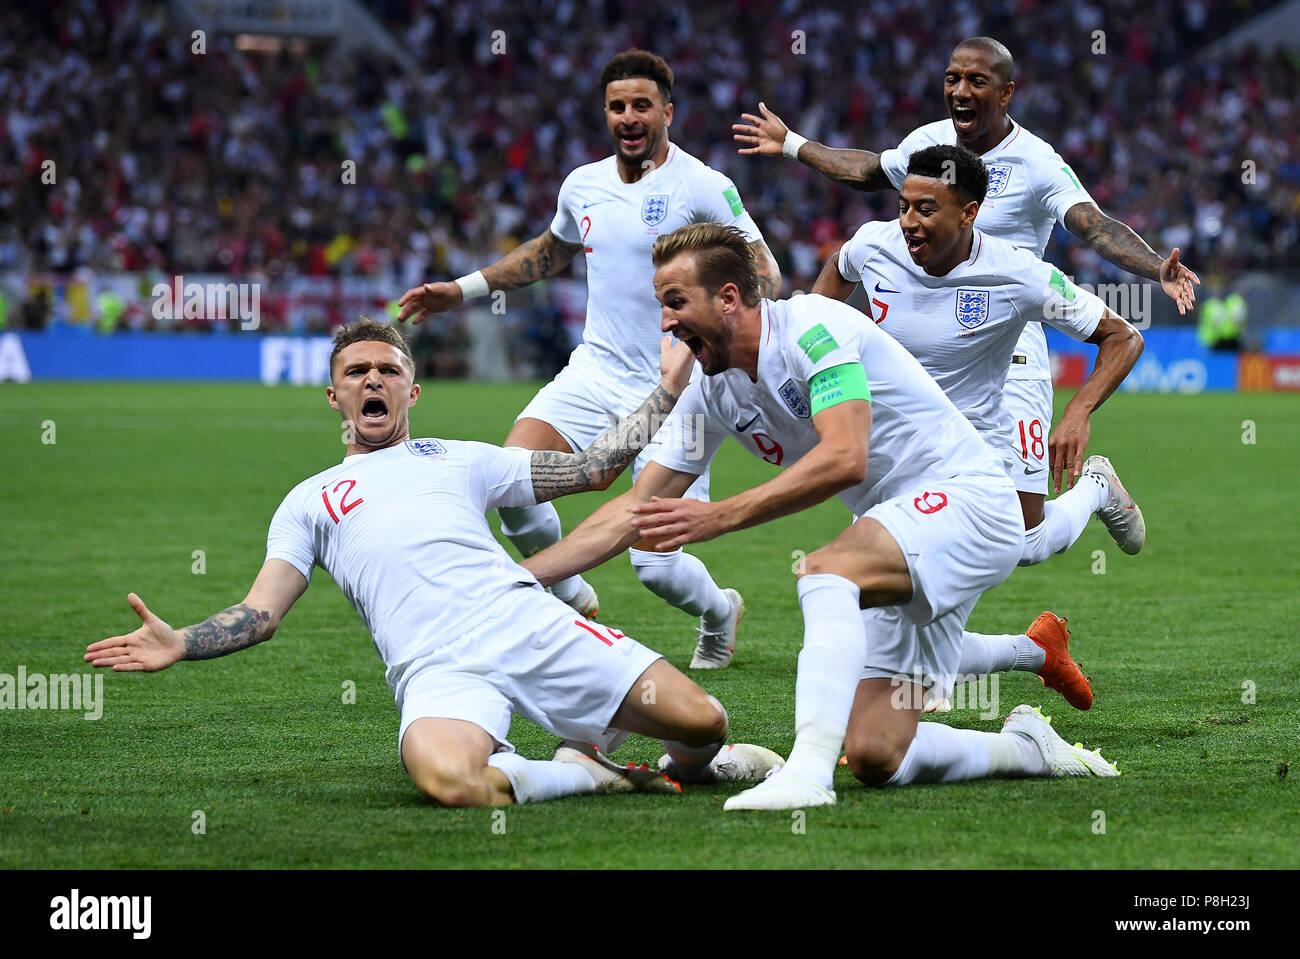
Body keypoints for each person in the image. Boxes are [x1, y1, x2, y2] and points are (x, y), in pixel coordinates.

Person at [523, 224, 1119, 811]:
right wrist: (523, 578)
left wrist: (717, 517)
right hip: (903, 528)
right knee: (878, 755)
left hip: (967, 500)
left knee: (826, 572)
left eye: (675, 302)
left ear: (729, 298)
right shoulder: (713, 389)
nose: (665, 323)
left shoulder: (811, 328)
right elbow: (636, 508)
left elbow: (845, 456)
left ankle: (807, 773)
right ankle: (1027, 749)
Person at [85, 318, 782, 808]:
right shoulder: (308, 501)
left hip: (520, 617)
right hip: (433, 665)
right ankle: (583, 772)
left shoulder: (461, 456)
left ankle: (701, 765)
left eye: (388, 369)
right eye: (356, 372)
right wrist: (182, 641)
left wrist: (666, 391)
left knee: (701, 719)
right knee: (446, 780)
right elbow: (262, 612)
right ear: (336, 396)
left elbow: (594, 469)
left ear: (411, 391)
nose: (373, 380)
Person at [734, 35, 1195, 554]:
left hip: (1009, 343)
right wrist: (793, 143)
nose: (961, 90)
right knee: (909, 518)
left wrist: (1156, 266)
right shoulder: (926, 146)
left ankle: (1095, 488)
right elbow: (867, 172)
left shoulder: (1036, 163)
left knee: (1021, 538)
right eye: (953, 78)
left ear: (1005, 93)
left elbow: (1091, 224)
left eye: (977, 81)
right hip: (921, 343)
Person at [397, 49, 782, 670]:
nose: (629, 117)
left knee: (653, 562)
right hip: (594, 371)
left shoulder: (706, 186)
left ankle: (719, 611)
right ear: (606, 114)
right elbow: (547, 254)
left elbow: (768, 275)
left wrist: (708, 336)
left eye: (642, 106)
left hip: (677, 389)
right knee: (514, 486)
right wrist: (462, 289)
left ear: (667, 112)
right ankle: (570, 592)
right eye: (617, 106)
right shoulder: (584, 184)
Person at [812, 144, 1147, 709]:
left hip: (972, 457)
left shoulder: (1017, 274)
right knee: (890, 613)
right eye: (903, 207)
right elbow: (834, 279)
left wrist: (1077, 411)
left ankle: (1094, 488)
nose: (909, 224)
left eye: (926, 210)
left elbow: (1123, 336)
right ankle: (1033, 653)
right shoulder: (873, 246)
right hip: (892, 453)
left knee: (1018, 544)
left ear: (969, 213)